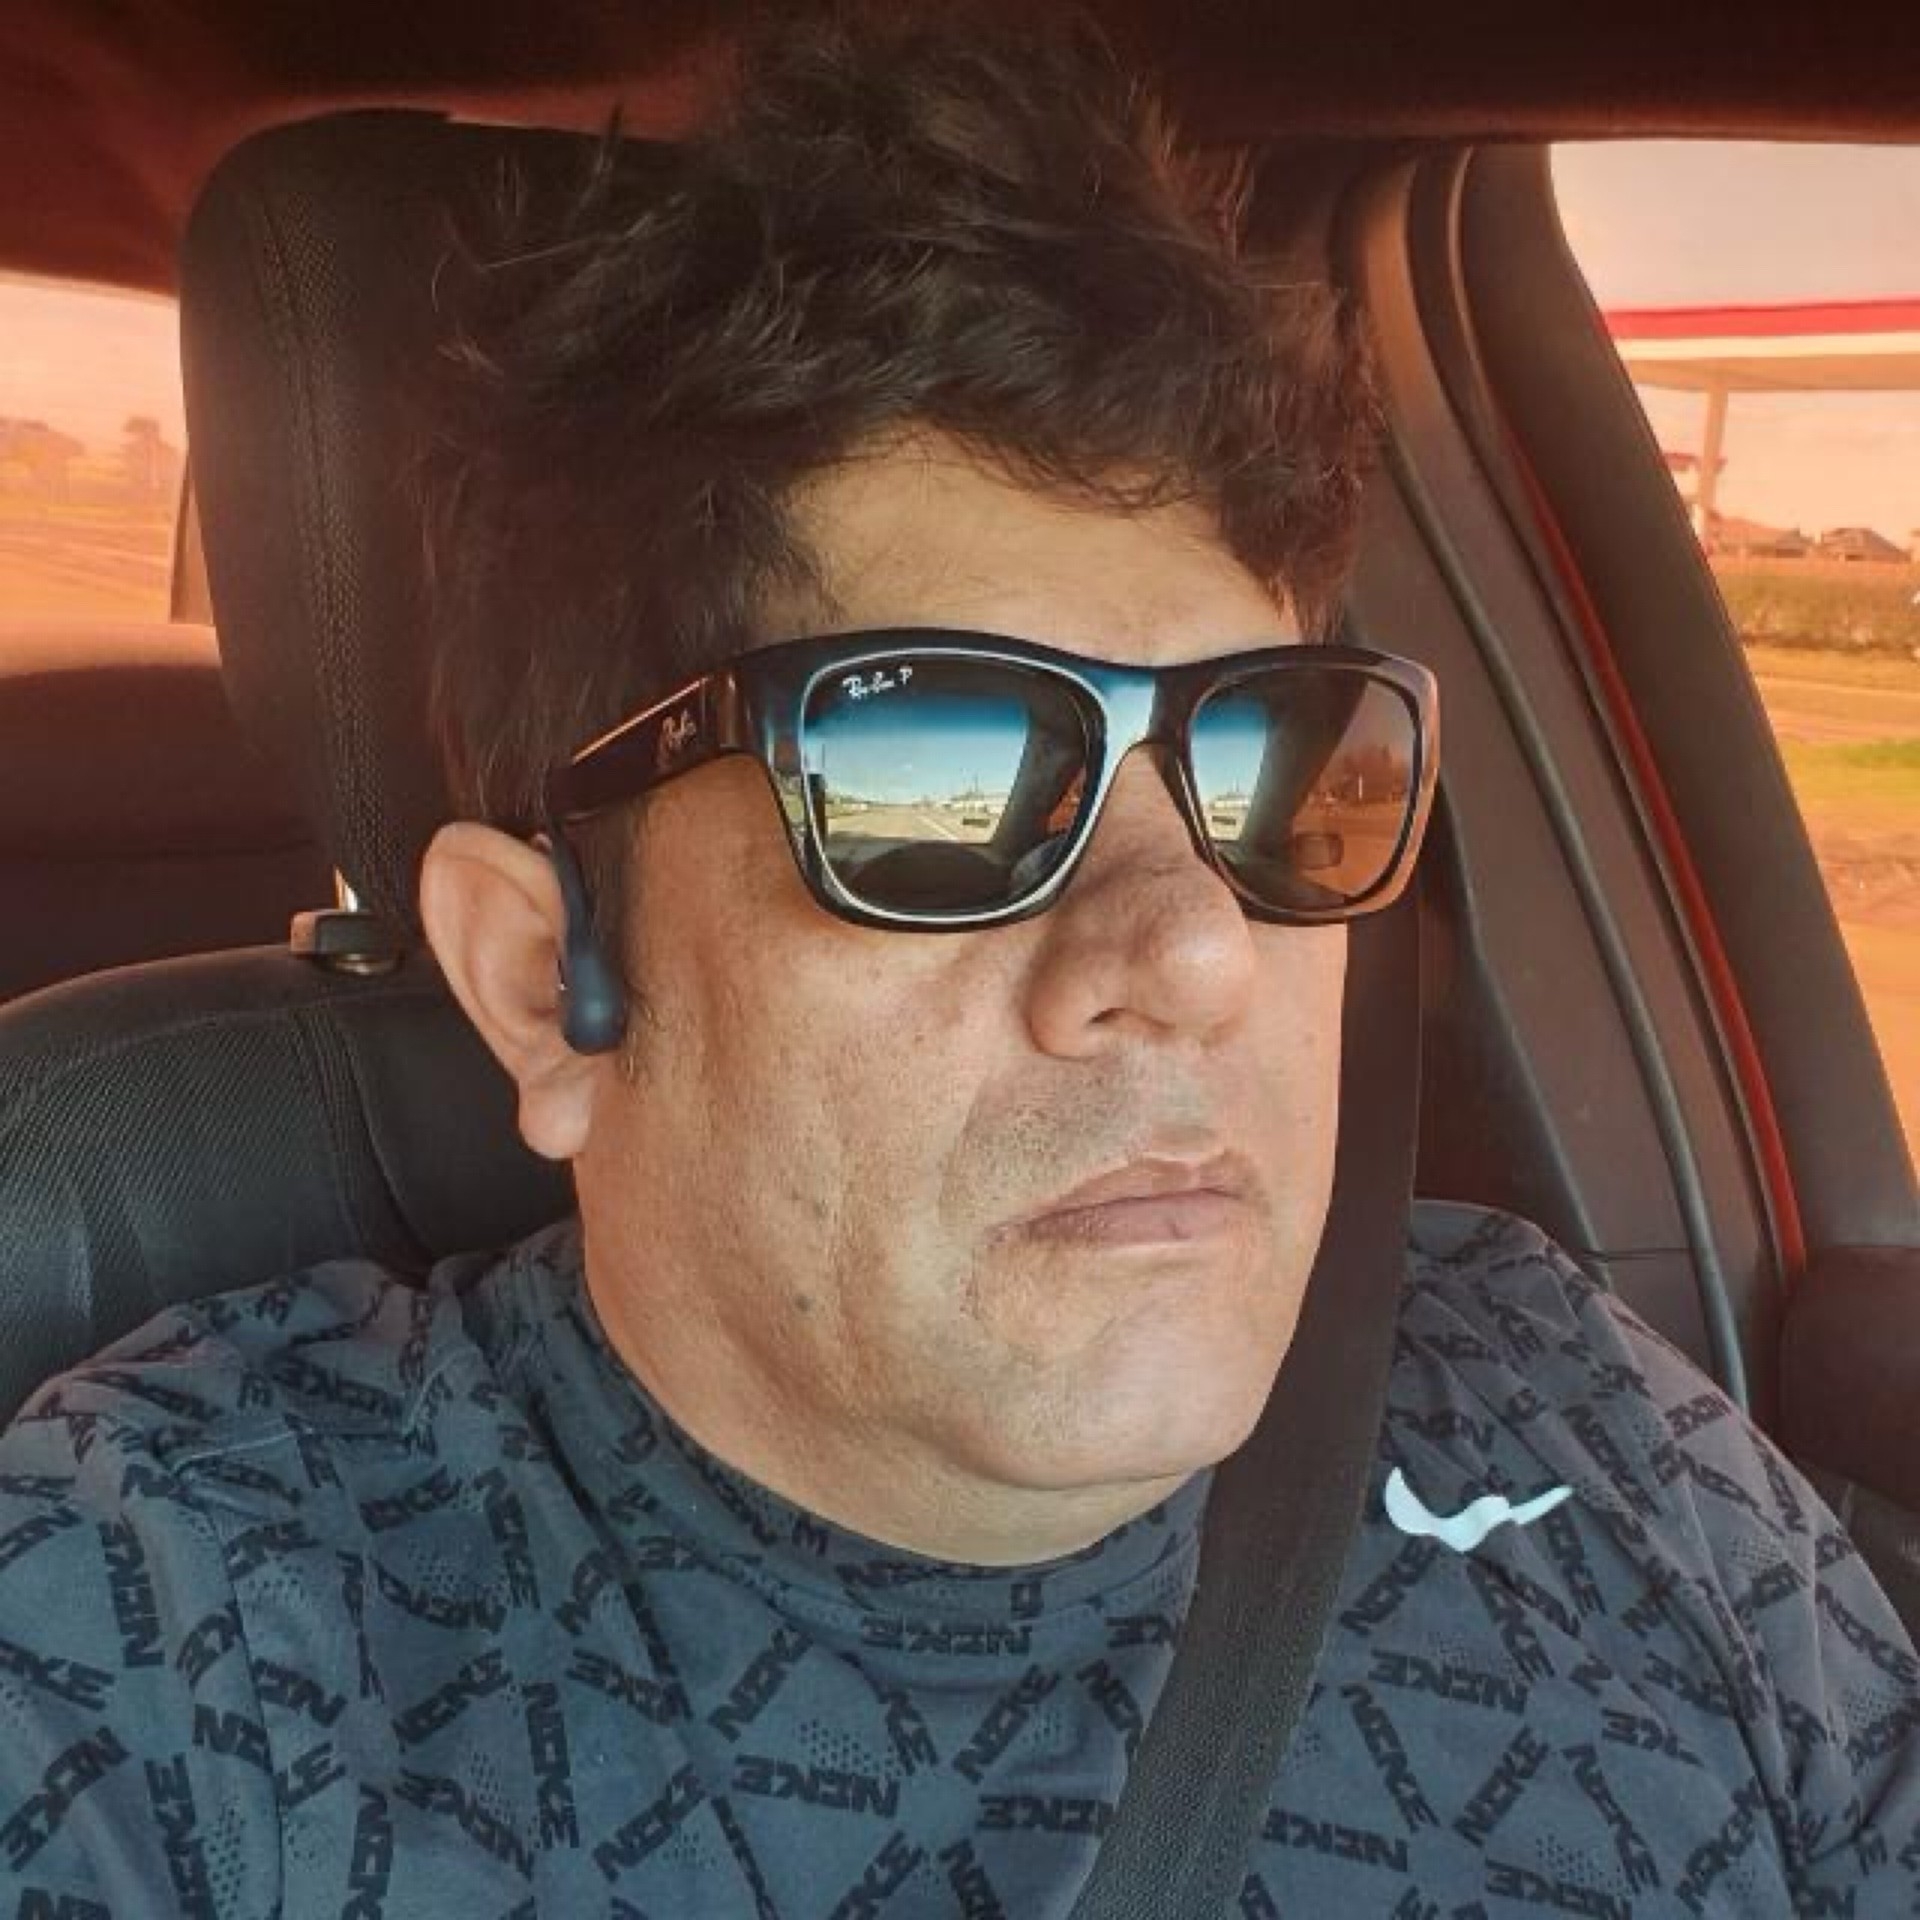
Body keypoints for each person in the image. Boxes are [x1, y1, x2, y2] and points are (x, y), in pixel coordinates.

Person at [2, 13, 1917, 1917]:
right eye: (940, 783)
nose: (1196, 953)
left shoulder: (1559, 1387)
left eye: (1272, 766)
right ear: (540, 981)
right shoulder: (170, 1644)